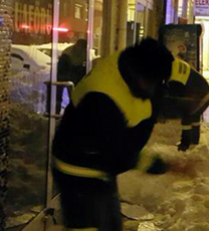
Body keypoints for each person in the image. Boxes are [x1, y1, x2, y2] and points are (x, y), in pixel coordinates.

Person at [52, 38, 174, 231]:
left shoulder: (133, 71)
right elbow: (119, 154)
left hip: (101, 168)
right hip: (77, 170)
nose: (153, 88)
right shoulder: (101, 96)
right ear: (138, 72)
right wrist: (158, 164)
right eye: (151, 82)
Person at [156, 57, 209, 152]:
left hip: (199, 96)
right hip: (206, 93)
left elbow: (174, 96)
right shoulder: (174, 63)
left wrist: (162, 112)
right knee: (194, 116)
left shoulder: (175, 78)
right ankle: (194, 141)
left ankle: (185, 144)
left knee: (186, 113)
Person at [56, 39, 88, 113]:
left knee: (75, 99)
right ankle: (57, 114)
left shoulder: (82, 54)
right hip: (66, 78)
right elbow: (61, 71)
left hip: (73, 79)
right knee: (59, 98)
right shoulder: (67, 55)